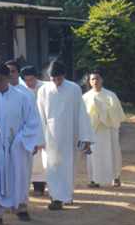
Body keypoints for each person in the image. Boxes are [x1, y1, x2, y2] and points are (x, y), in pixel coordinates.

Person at [0, 64, 43, 224]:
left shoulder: (22, 97)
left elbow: (32, 121)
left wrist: (21, 139)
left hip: (17, 146)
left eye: (0, 80)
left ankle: (21, 207)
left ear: (8, 78)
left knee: (19, 175)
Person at [37, 60, 94, 210]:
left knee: (69, 167)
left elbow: (81, 113)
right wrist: (39, 138)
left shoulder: (74, 89)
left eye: (59, 78)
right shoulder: (43, 90)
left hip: (70, 136)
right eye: (53, 79)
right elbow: (40, 115)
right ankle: (56, 197)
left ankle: (66, 195)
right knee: (51, 167)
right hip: (50, 137)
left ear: (64, 75)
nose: (56, 82)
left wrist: (85, 137)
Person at [83, 71, 126, 187]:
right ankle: (94, 179)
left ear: (101, 80)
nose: (95, 81)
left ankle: (116, 177)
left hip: (108, 129)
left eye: (97, 78)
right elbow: (83, 115)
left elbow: (116, 113)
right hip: (94, 131)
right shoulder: (85, 97)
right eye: (92, 79)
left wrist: (102, 109)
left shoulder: (110, 95)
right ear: (89, 82)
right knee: (93, 155)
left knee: (112, 152)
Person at [20, 66, 47, 195]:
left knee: (42, 160)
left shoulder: (45, 88)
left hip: (43, 125)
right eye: (26, 80)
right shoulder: (21, 89)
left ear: (36, 77)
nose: (29, 83)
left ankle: (40, 186)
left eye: (31, 79)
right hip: (28, 127)